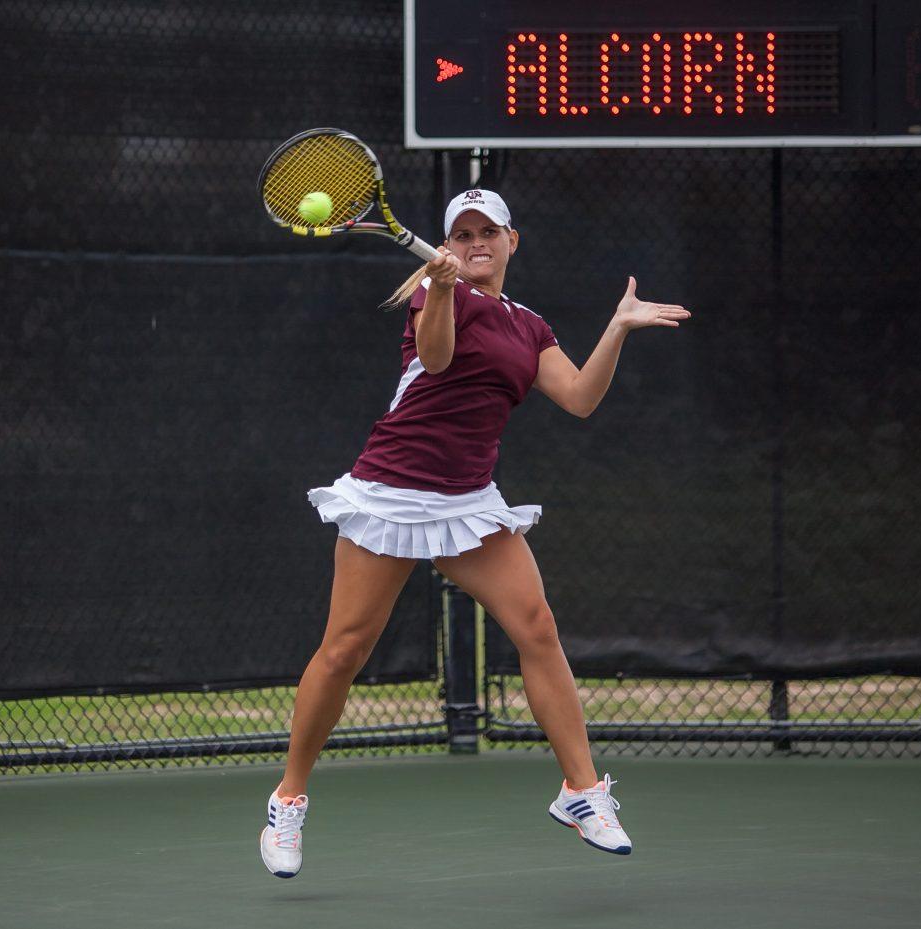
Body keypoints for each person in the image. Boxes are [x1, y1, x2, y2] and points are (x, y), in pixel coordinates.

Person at [259, 189, 690, 877]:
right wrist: (438, 287)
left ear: (511, 239)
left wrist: (618, 327)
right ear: (449, 245)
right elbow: (434, 360)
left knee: (537, 627)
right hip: (391, 495)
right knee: (343, 651)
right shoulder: (437, 295)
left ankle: (581, 792)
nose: (474, 240)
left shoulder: (530, 325)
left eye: (487, 230)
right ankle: (288, 797)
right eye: (462, 233)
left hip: (467, 504)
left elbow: (578, 397)